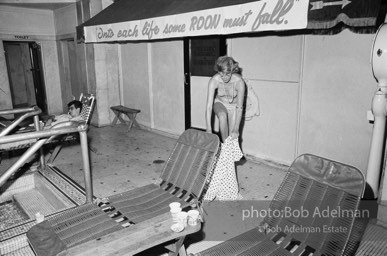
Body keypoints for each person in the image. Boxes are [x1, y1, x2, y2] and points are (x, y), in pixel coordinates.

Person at [205, 56, 245, 142]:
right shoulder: (214, 80)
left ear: (232, 70)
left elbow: (239, 107)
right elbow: (209, 106)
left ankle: (228, 150)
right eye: (221, 74)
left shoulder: (239, 82)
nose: (224, 77)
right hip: (220, 103)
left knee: (233, 138)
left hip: (234, 107)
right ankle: (224, 144)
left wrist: (236, 129)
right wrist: (208, 128)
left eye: (227, 74)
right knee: (222, 115)